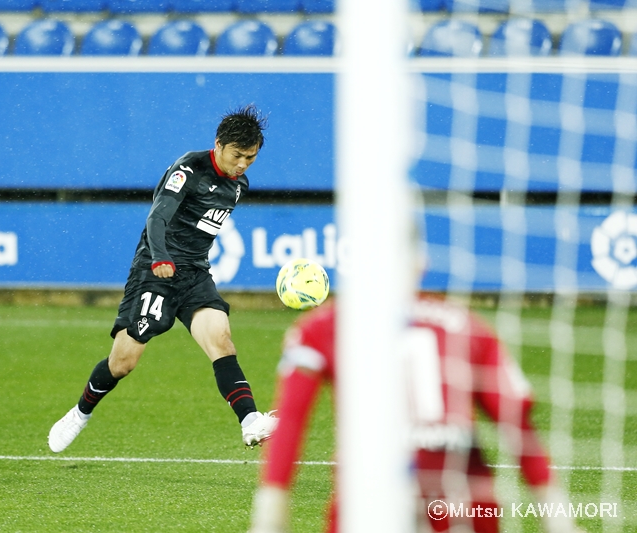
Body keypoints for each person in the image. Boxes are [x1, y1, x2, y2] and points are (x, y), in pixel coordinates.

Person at [248, 295, 585, 533]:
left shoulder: (323, 326)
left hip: (368, 494)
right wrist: (558, 518)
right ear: (420, 262)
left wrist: (270, 516)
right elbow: (517, 424)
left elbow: (291, 420)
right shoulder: (467, 325)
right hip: (459, 495)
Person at [48, 104, 277, 453]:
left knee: (221, 339)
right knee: (123, 362)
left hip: (195, 274)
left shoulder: (237, 185)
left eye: (251, 157)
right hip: (155, 271)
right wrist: (159, 258)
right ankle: (80, 412)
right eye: (237, 155)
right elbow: (157, 217)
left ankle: (250, 421)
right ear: (218, 144)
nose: (243, 164)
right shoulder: (189, 169)